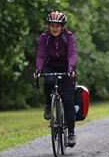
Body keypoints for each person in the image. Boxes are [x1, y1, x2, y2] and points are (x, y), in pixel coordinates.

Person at [33, 11, 77, 147]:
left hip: (66, 68)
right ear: (49, 26)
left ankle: (70, 134)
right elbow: (41, 55)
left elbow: (72, 53)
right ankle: (48, 105)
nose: (55, 29)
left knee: (69, 101)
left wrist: (71, 67)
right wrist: (38, 69)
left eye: (58, 26)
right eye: (52, 26)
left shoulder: (69, 36)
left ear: (63, 26)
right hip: (50, 67)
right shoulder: (44, 37)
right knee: (49, 82)